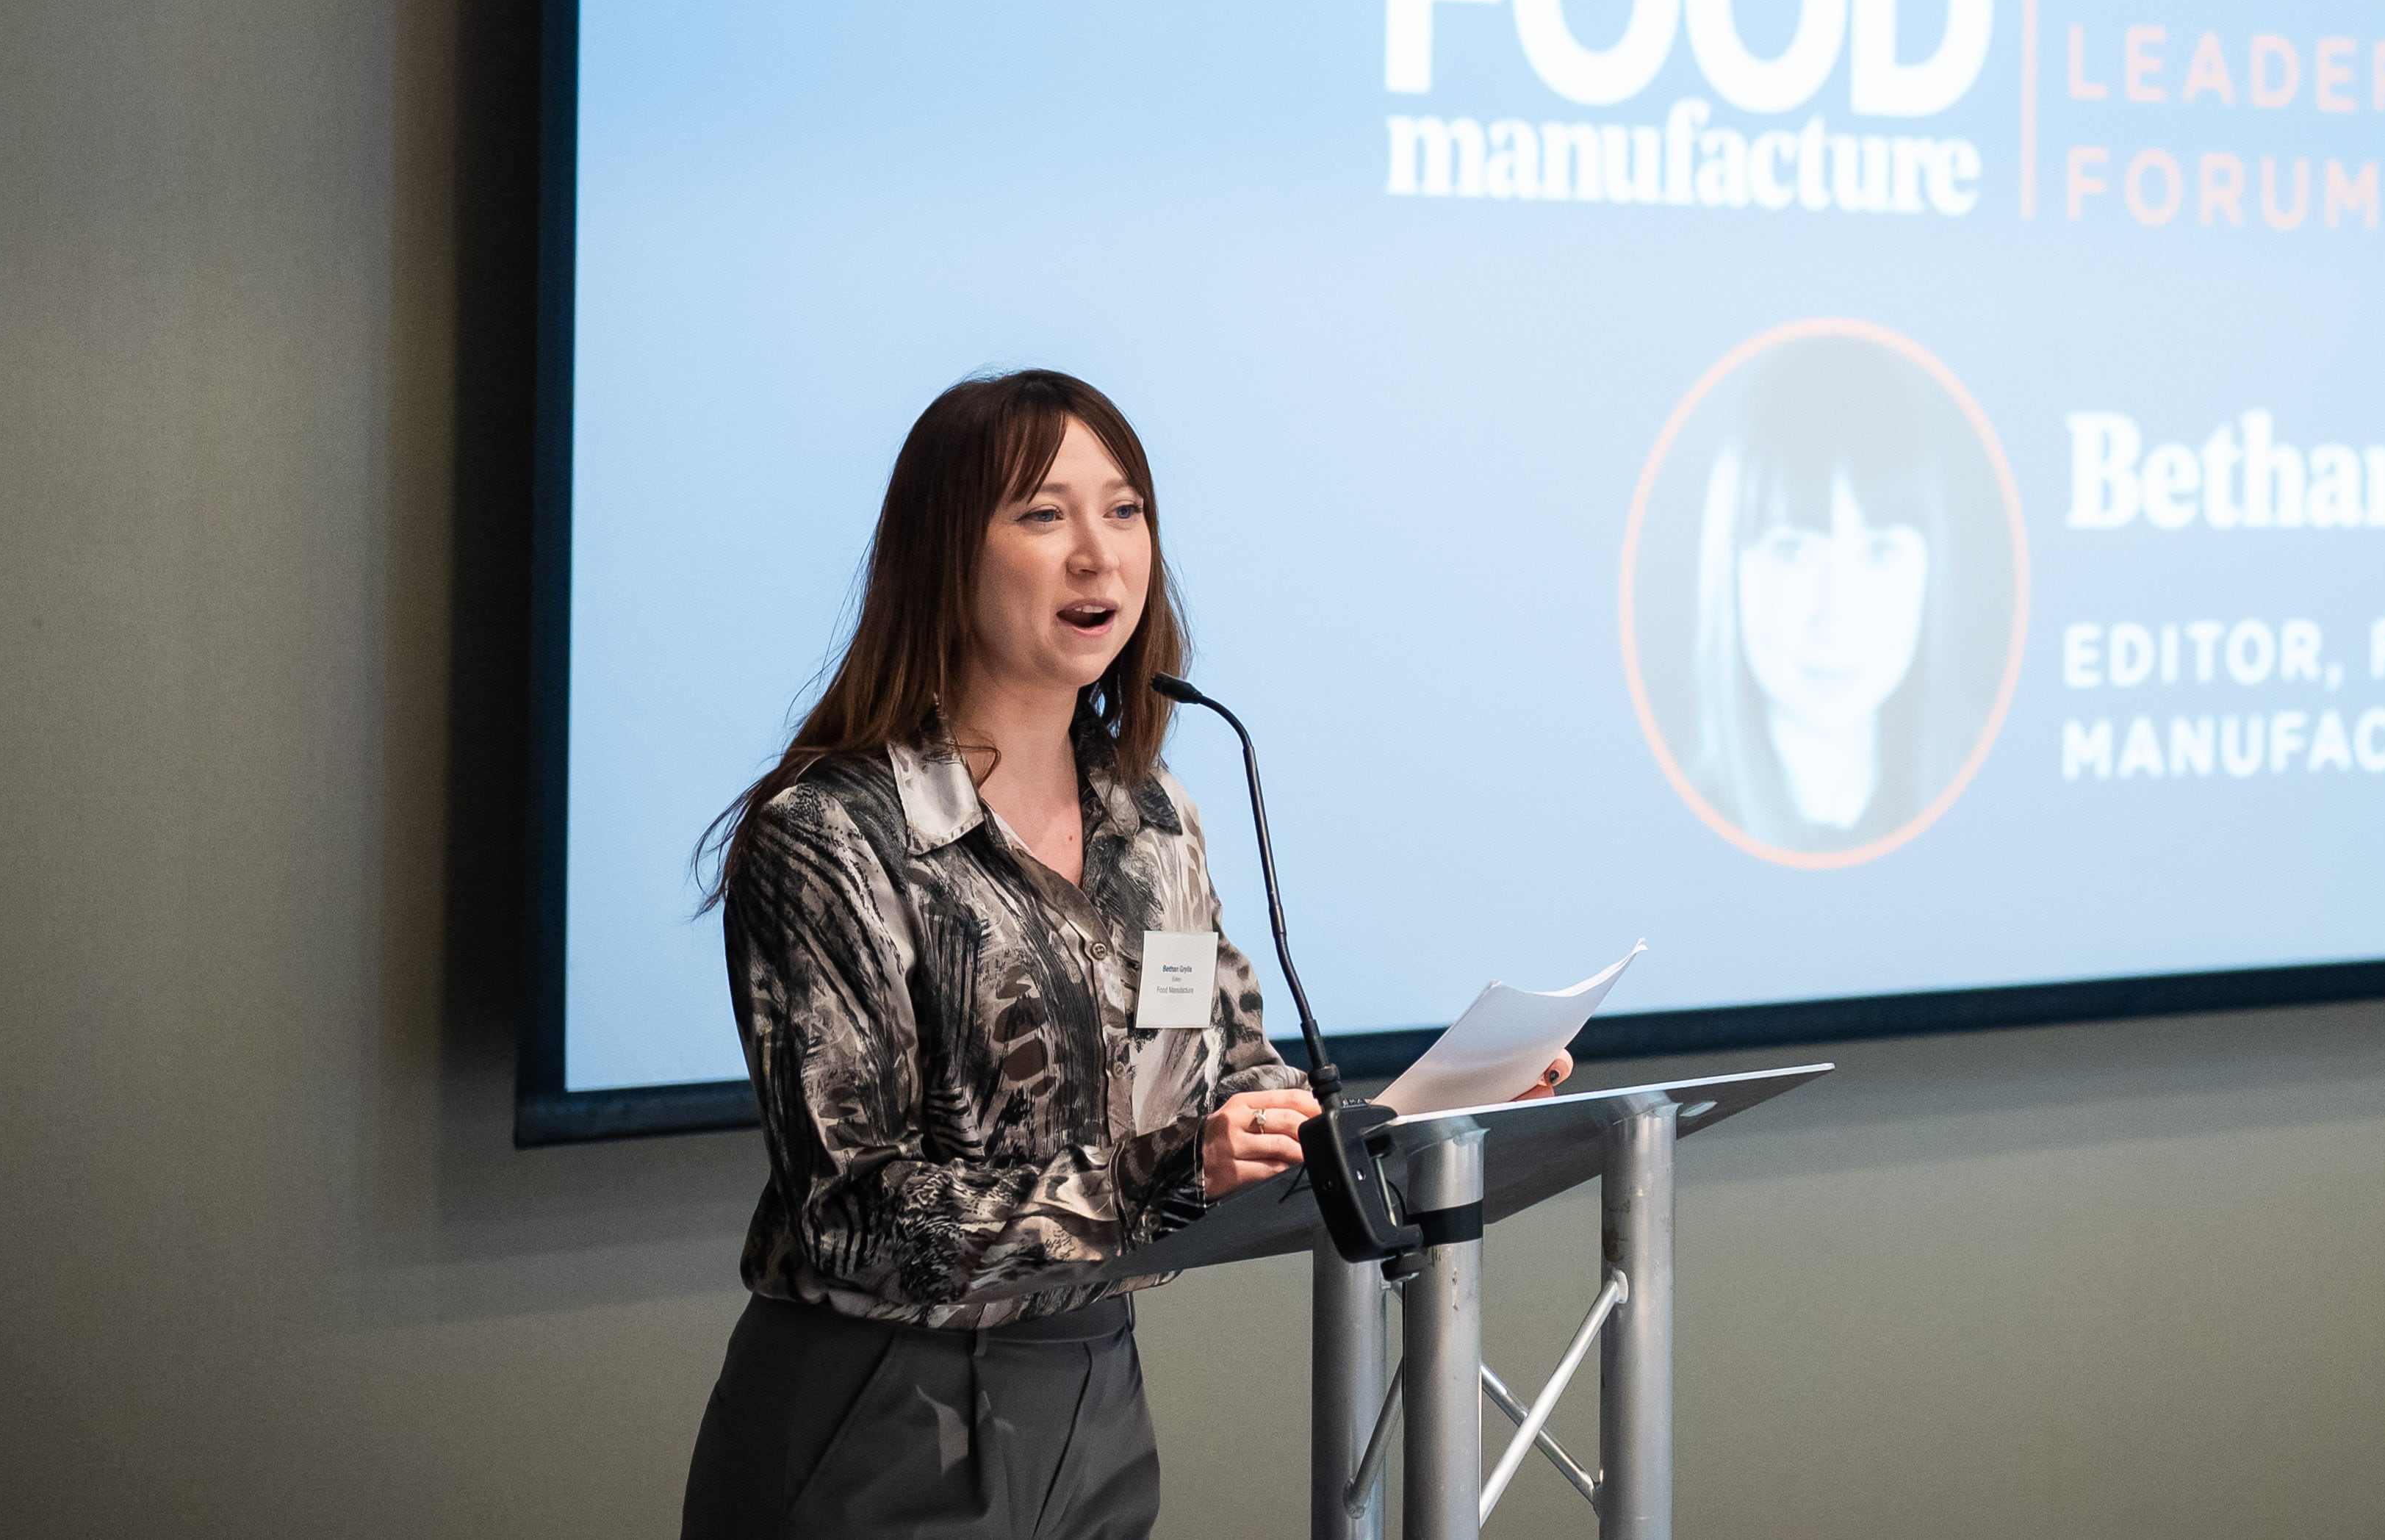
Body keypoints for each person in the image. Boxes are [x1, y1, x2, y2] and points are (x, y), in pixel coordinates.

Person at [682, 370, 1561, 1540]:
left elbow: (1233, 1072)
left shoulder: (1153, 817)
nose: (1099, 554)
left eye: (1126, 509)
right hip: (879, 1404)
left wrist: (1427, 1108)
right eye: (1044, 514)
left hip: (1095, 1392)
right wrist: (1170, 1169)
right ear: (946, 554)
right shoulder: (834, 834)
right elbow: (855, 1215)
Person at [1677, 334, 1983, 856]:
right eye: (1793, 551)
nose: (1837, 613)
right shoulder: (1659, 847)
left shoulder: (1989, 826)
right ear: (1729, 571)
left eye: (1881, 552)